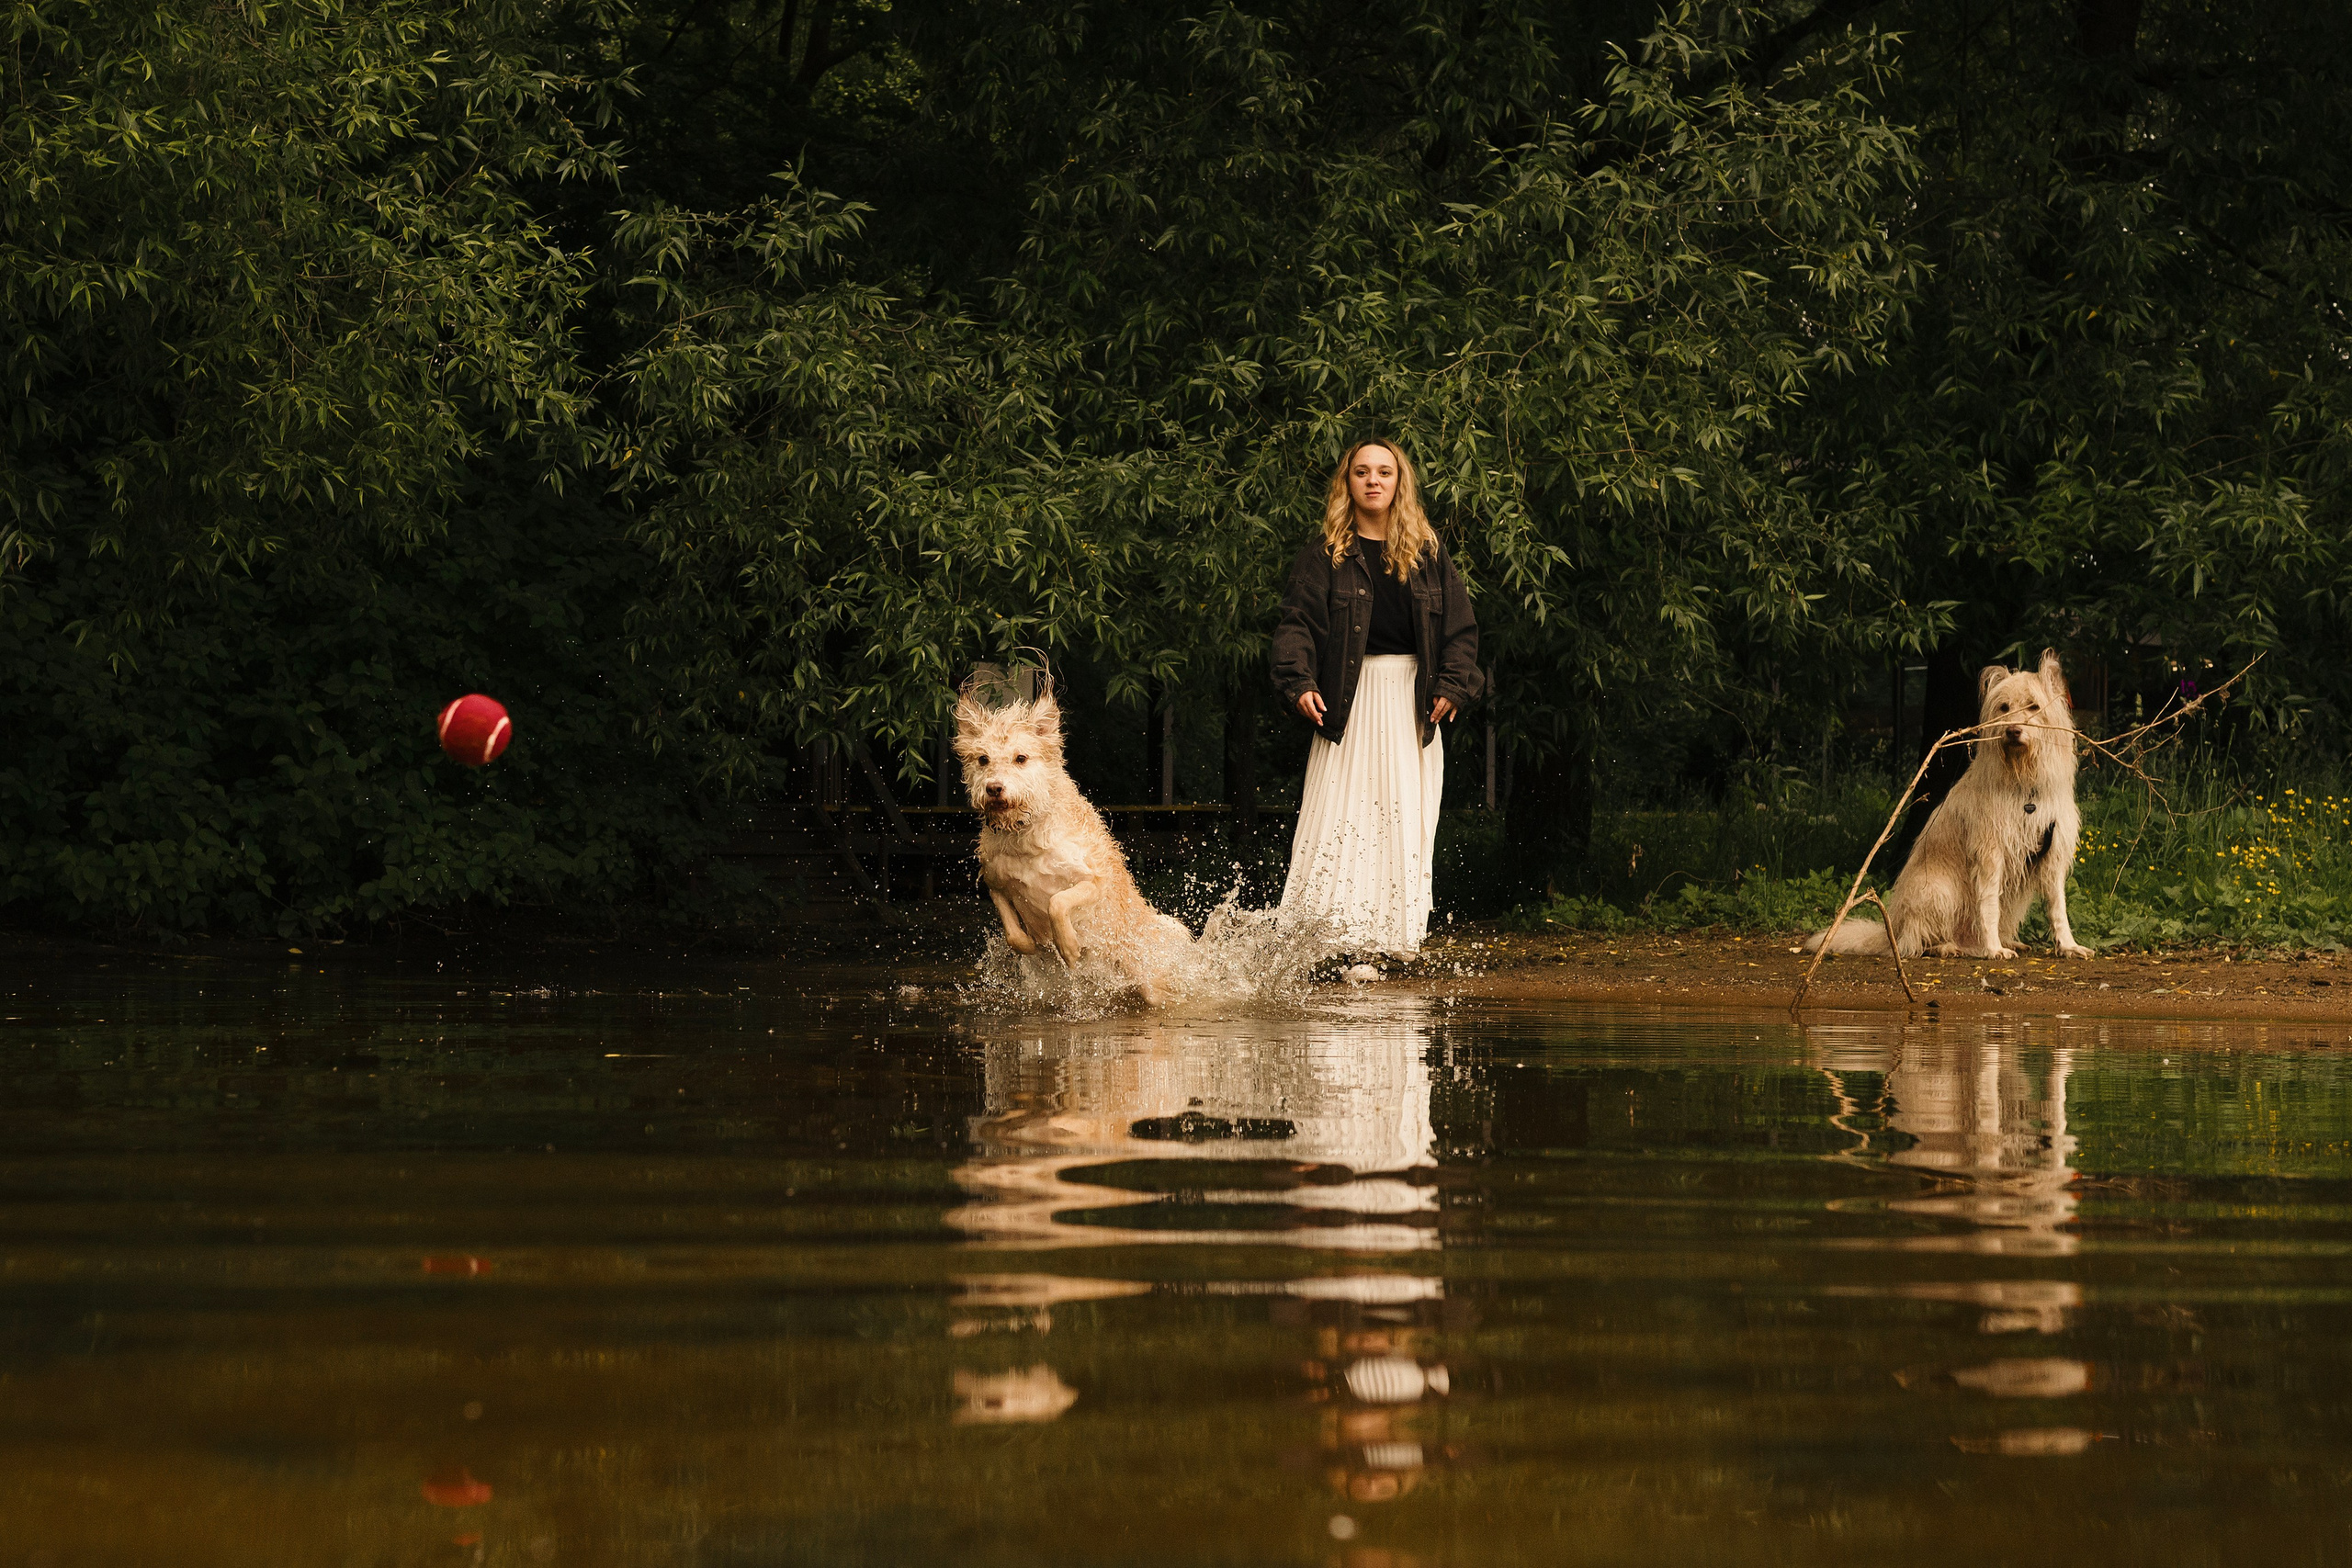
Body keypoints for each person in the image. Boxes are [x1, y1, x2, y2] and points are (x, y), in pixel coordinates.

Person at [1269, 437, 1481, 956]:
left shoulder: (1428, 553)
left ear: (1398, 483)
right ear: (1348, 482)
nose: (1373, 480)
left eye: (1384, 472)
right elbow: (1295, 626)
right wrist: (1299, 683)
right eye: (1362, 471)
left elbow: (1461, 630)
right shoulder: (1325, 555)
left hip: (1412, 705)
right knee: (1337, 817)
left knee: (1405, 821)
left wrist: (1453, 686)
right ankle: (1322, 946)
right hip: (1347, 701)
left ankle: (1394, 944)